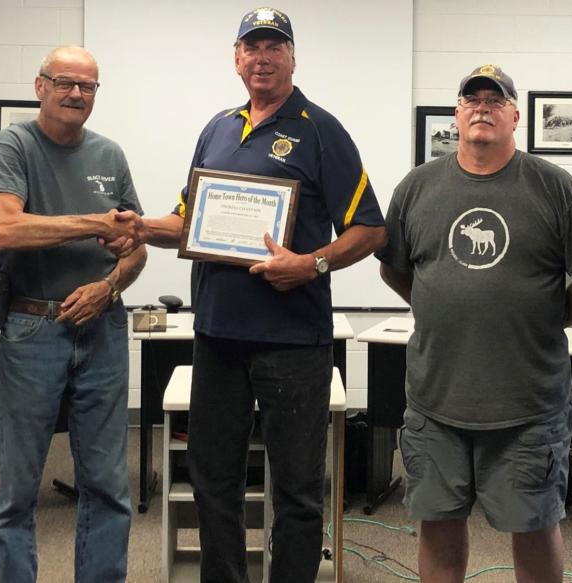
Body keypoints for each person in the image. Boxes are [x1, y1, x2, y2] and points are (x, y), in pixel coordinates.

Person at [111, 7, 384, 582]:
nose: (262, 57)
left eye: (274, 47)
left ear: (291, 58)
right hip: (216, 337)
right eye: (251, 47)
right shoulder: (217, 128)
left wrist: (312, 263)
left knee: (297, 490)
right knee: (213, 480)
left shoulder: (321, 130)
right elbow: (189, 221)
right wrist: (140, 227)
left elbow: (370, 229)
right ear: (236, 59)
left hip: (293, 342)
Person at [377, 64, 572, 583]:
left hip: (528, 404)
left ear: (515, 114)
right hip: (437, 398)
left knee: (536, 525)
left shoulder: (556, 189)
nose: (481, 107)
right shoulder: (416, 187)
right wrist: (442, 310)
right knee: (437, 523)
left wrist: (538, 321)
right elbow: (396, 271)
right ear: (456, 114)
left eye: (494, 100)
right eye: (470, 99)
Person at [0, 46, 146, 583]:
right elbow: (5, 230)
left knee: (107, 485)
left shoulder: (110, 154)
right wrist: (92, 223)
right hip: (34, 330)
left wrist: (109, 286)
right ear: (40, 86)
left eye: (88, 87)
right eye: (65, 83)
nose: (77, 94)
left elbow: (135, 246)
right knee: (19, 490)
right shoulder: (15, 144)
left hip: (102, 327)